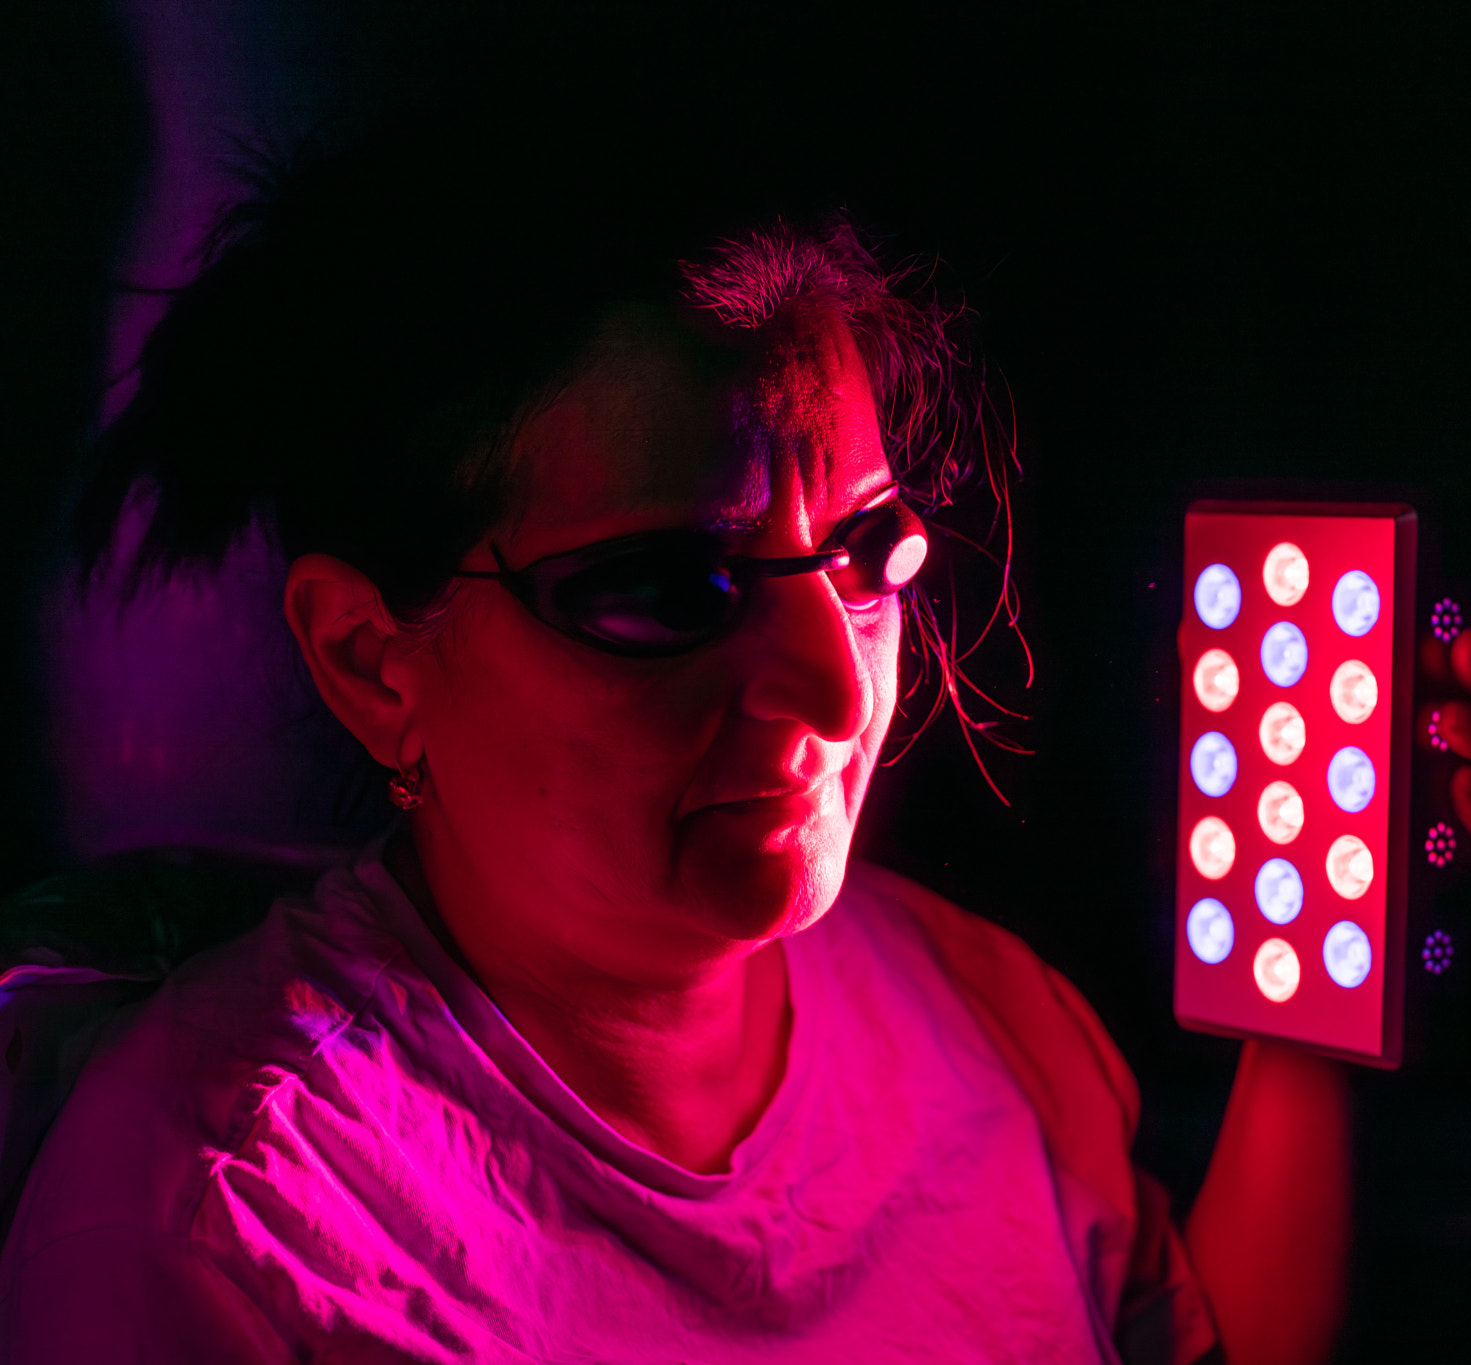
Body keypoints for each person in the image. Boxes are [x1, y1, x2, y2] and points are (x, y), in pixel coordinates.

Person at [0, 120, 1367, 1363]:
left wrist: (1325, 967)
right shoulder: (218, 1229)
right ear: (371, 659)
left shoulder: (992, 1018)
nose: (836, 692)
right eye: (668, 592)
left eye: (867, 550)